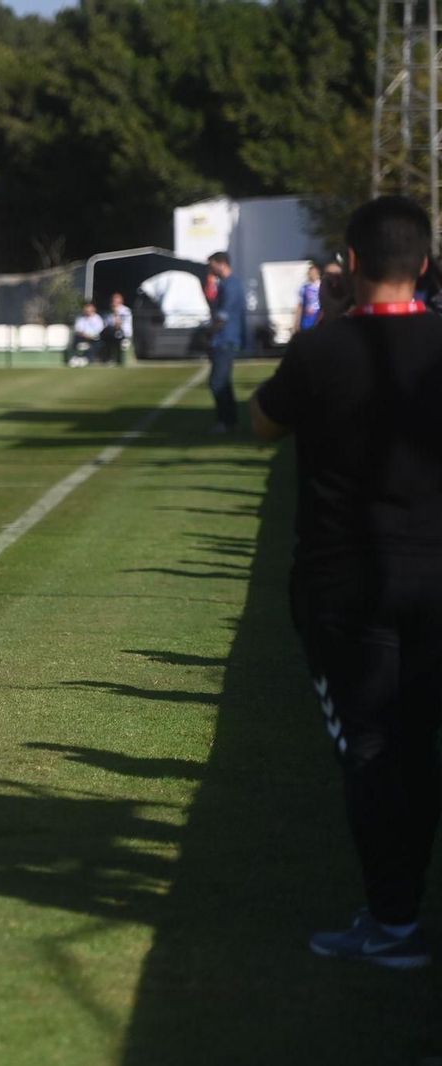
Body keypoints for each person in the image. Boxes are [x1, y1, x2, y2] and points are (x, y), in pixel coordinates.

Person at [248, 194, 442, 970]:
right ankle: (400, 910)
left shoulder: (321, 350)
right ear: (423, 264)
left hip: (346, 583)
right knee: (421, 742)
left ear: (351, 265)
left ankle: (393, 920)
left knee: (369, 748)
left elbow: (262, 424)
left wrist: (322, 328)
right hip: (436, 575)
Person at [207, 251, 246, 432]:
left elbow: (223, 315)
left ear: (221, 263)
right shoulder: (230, 284)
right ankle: (231, 421)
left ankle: (224, 421)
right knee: (224, 381)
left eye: (212, 264)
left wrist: (210, 332)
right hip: (226, 338)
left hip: (225, 339)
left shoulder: (230, 286)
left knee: (217, 382)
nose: (211, 269)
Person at [66, 301, 104, 367]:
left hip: (93, 337)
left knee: (98, 343)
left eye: (89, 307)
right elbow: (78, 329)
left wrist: (90, 335)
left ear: (93, 309)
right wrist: (84, 335)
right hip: (82, 336)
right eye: (86, 307)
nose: (87, 309)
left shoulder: (98, 319)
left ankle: (86, 359)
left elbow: (99, 330)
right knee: (75, 338)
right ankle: (73, 358)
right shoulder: (80, 318)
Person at [100, 292, 132, 364]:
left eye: (115, 300)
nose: (113, 302)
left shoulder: (125, 310)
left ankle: (115, 358)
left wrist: (116, 313)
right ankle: (108, 358)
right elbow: (106, 324)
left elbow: (119, 324)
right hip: (112, 332)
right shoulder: (109, 312)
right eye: (112, 300)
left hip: (123, 332)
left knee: (115, 336)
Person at [294, 263, 323, 333]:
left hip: (319, 319)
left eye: (315, 272)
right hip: (306, 321)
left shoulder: (322, 286)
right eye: (311, 273)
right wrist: (297, 321)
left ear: (318, 273)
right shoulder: (305, 287)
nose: (313, 274)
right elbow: (300, 305)